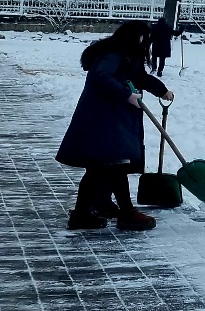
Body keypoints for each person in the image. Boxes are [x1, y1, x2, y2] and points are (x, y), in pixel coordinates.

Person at [56, 22, 174, 232]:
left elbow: (140, 76)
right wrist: (126, 94)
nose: (146, 44)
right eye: (144, 40)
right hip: (104, 120)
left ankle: (98, 207)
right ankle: (115, 213)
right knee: (108, 166)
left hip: (110, 120)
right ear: (135, 38)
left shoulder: (127, 56)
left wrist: (162, 90)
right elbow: (100, 76)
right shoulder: (114, 55)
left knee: (107, 167)